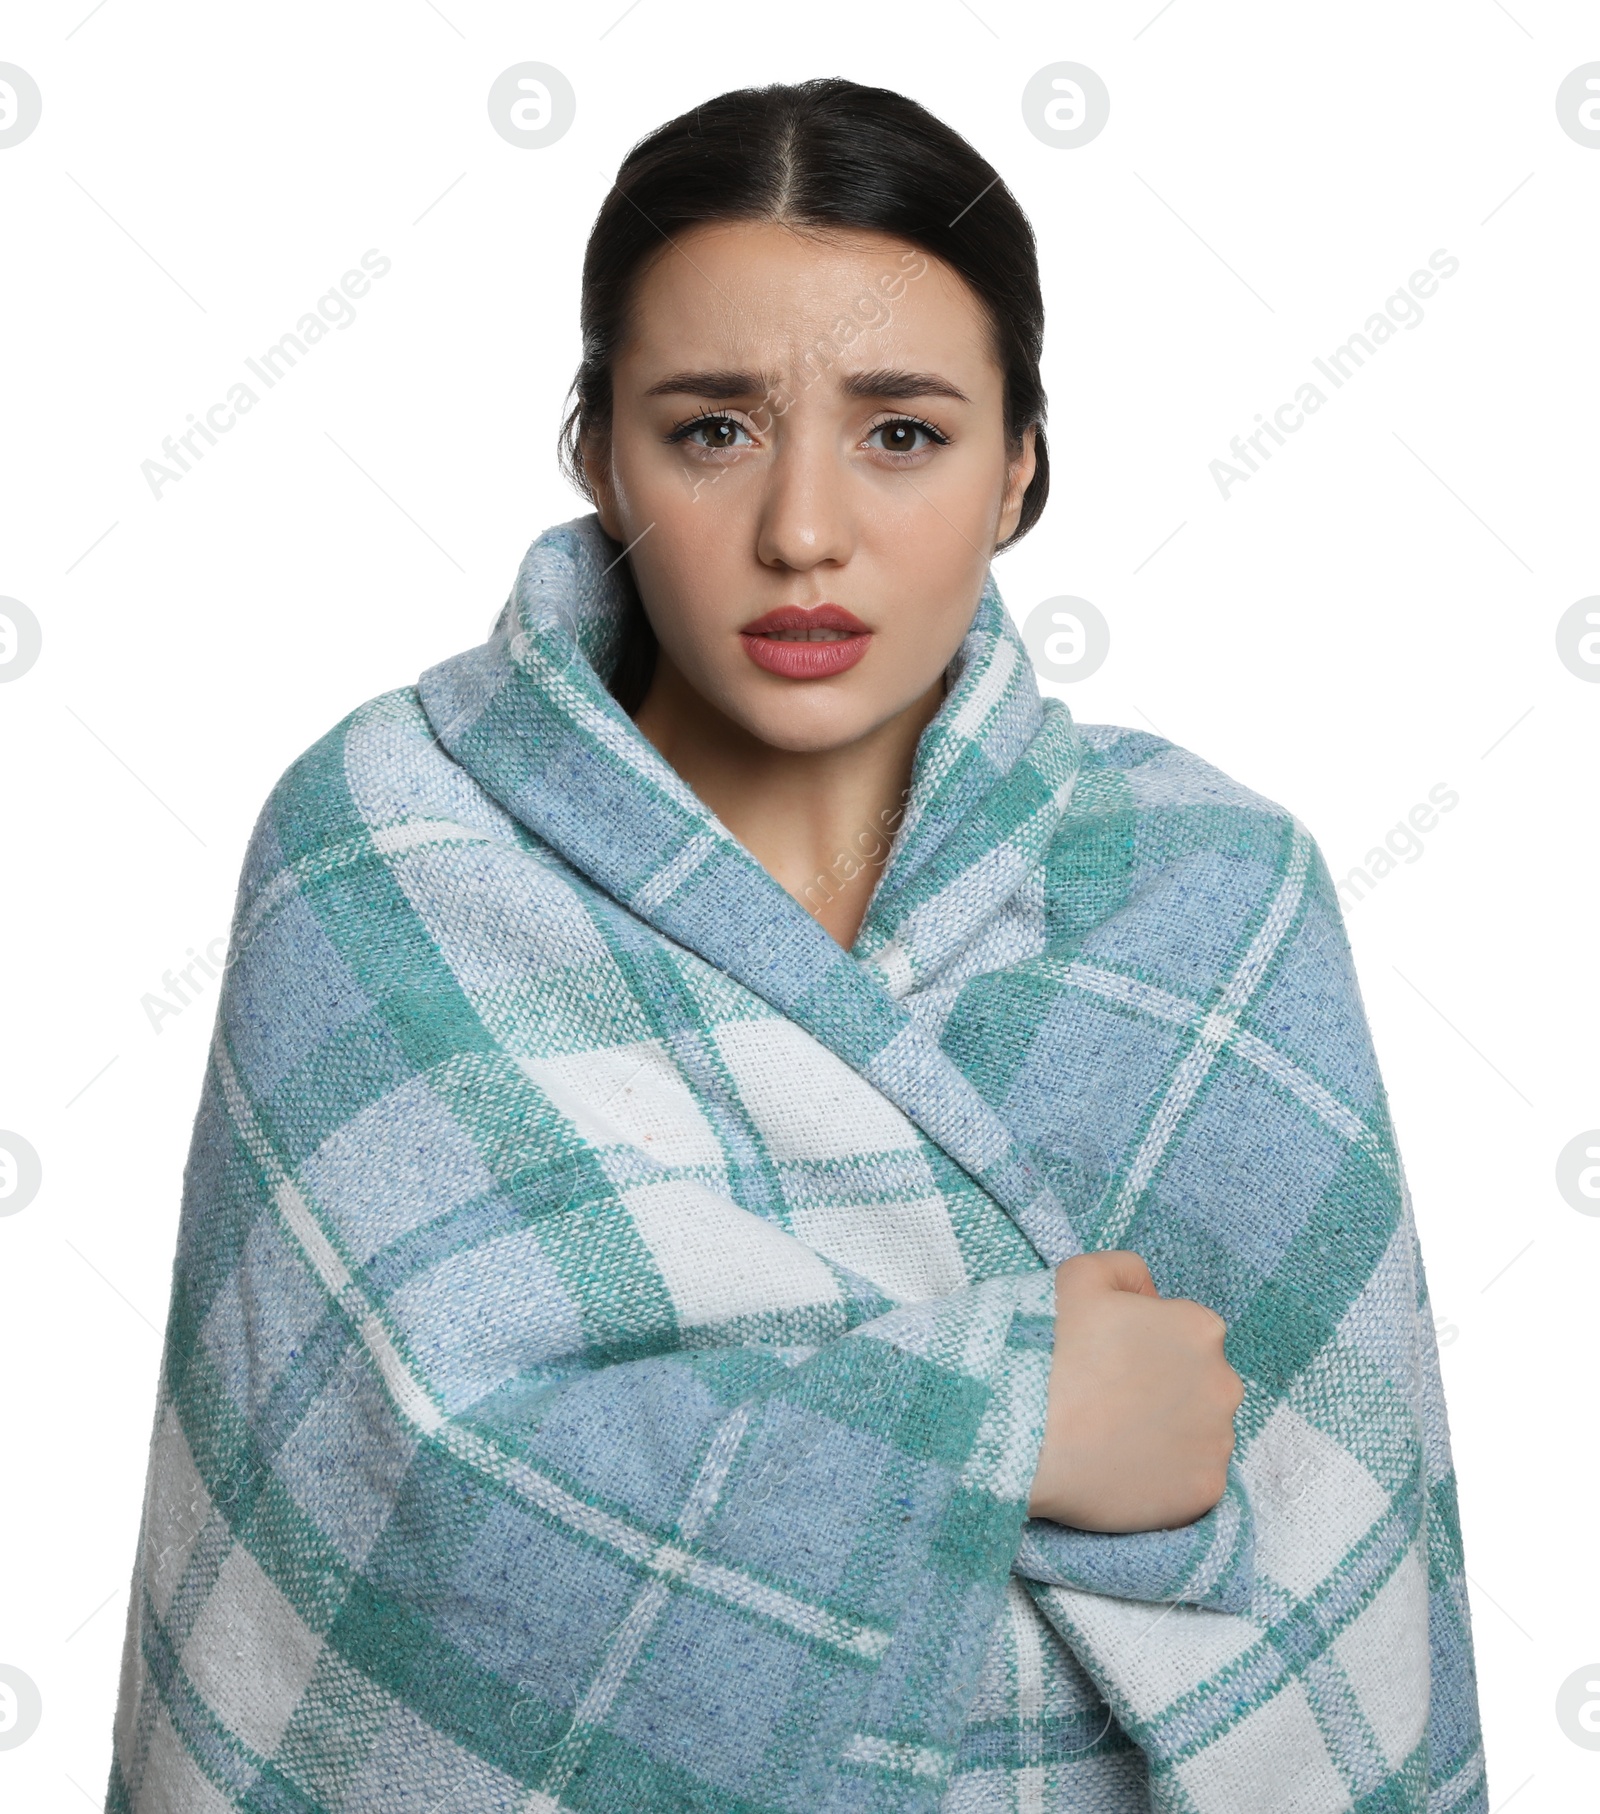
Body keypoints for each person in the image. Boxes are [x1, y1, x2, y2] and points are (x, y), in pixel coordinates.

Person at [107, 79, 1485, 1812]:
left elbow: (1350, 1587)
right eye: (713, 429)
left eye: (902, 431)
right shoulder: (389, 845)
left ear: (1020, 470)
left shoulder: (1214, 895)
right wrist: (999, 1425)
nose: (804, 531)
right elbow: (363, 1525)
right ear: (599, 453)